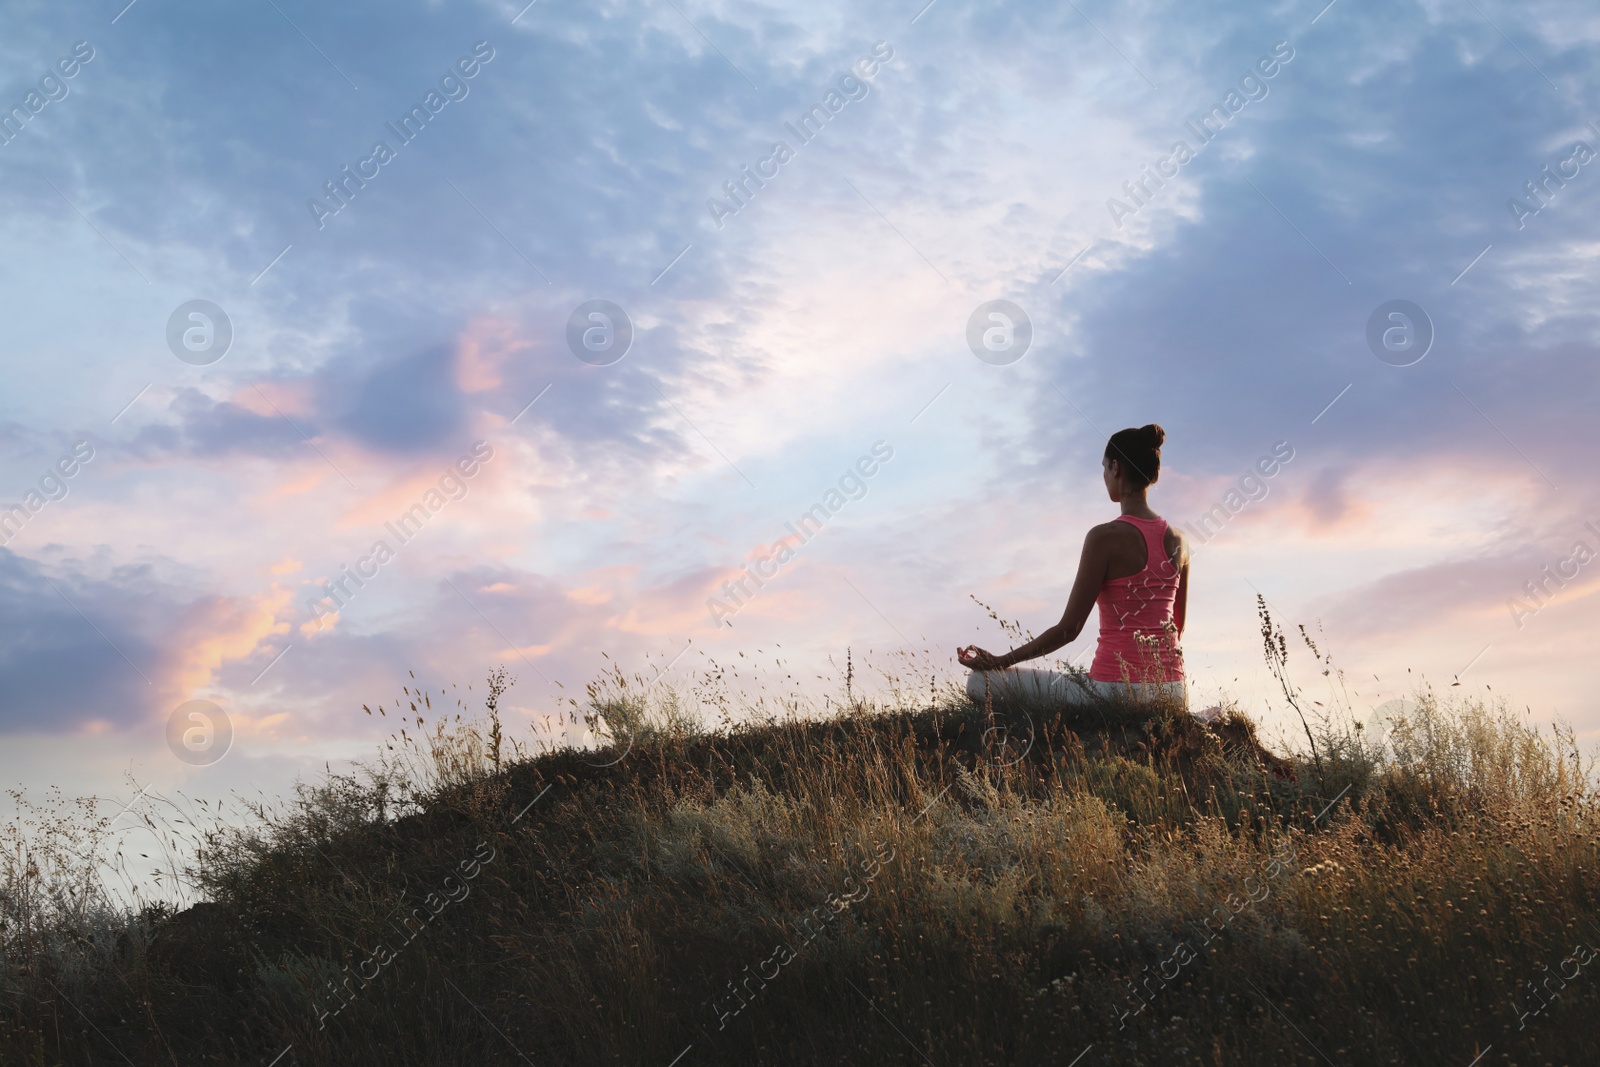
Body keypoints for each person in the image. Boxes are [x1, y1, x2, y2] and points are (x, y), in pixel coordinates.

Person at [958, 424, 1189, 708]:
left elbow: (1069, 629)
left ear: (1115, 467)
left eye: (1104, 468)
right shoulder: (1181, 540)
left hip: (1114, 691)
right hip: (1174, 692)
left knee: (979, 683)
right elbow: (1176, 627)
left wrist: (999, 661)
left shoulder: (1103, 538)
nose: (1104, 476)